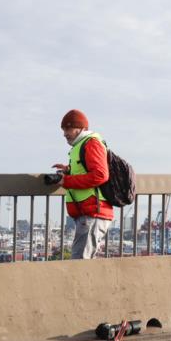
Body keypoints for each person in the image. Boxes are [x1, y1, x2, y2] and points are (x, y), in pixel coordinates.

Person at [52, 109, 113, 259]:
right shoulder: (80, 146)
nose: (64, 133)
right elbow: (87, 170)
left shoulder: (91, 143)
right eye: (63, 129)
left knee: (79, 264)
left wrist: (66, 181)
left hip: (93, 212)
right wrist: (68, 170)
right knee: (81, 262)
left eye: (68, 129)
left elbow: (100, 175)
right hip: (88, 213)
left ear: (80, 128)